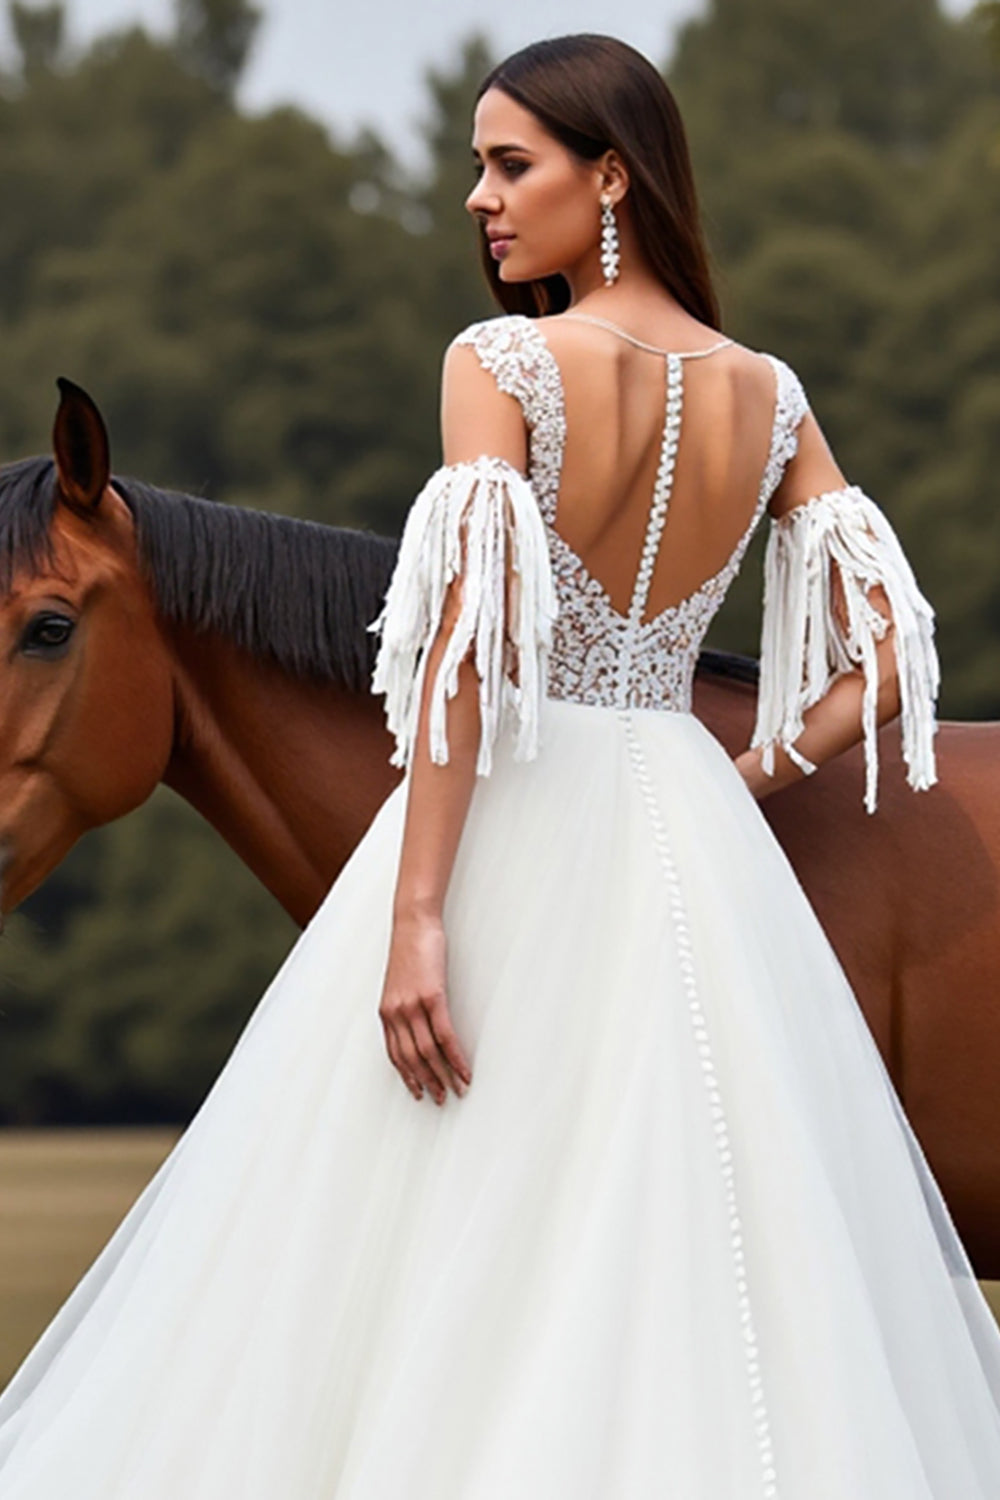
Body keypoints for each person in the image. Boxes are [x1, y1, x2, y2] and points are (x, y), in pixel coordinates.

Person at [0, 30, 998, 1499]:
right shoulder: (767, 393)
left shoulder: (502, 363)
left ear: (611, 178)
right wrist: (751, 772)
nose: (477, 195)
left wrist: (413, 915)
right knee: (713, 1238)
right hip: (690, 834)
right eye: (478, 163)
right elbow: (896, 654)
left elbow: (463, 666)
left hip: (533, 817)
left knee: (431, 1226)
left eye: (507, 163)